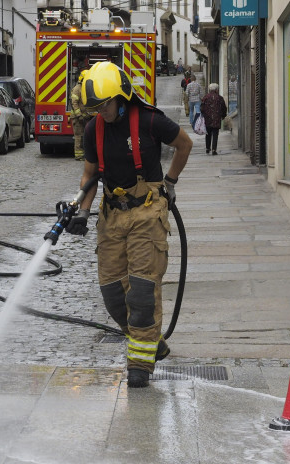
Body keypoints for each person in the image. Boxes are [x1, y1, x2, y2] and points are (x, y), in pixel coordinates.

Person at [66, 62, 193, 388]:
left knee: (141, 292)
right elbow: (90, 175)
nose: (101, 113)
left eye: (105, 105)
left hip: (147, 214)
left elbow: (185, 144)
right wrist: (82, 212)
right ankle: (153, 342)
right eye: (95, 108)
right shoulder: (95, 128)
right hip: (112, 216)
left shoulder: (150, 120)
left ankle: (140, 365)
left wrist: (171, 181)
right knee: (112, 295)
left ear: (121, 97)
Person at [70, 70, 94, 161]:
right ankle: (79, 155)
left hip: (85, 117)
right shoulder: (77, 88)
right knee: (78, 136)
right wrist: (79, 115)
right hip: (77, 118)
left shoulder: (85, 88)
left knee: (85, 136)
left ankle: (84, 154)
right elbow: (74, 103)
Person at [200, 82, 228, 155]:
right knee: (215, 134)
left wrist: (204, 114)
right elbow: (224, 108)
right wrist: (223, 116)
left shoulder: (206, 97)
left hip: (208, 118)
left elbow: (202, 108)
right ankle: (214, 150)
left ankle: (207, 148)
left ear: (210, 89)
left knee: (208, 133)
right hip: (216, 118)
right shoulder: (219, 98)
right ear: (216, 90)